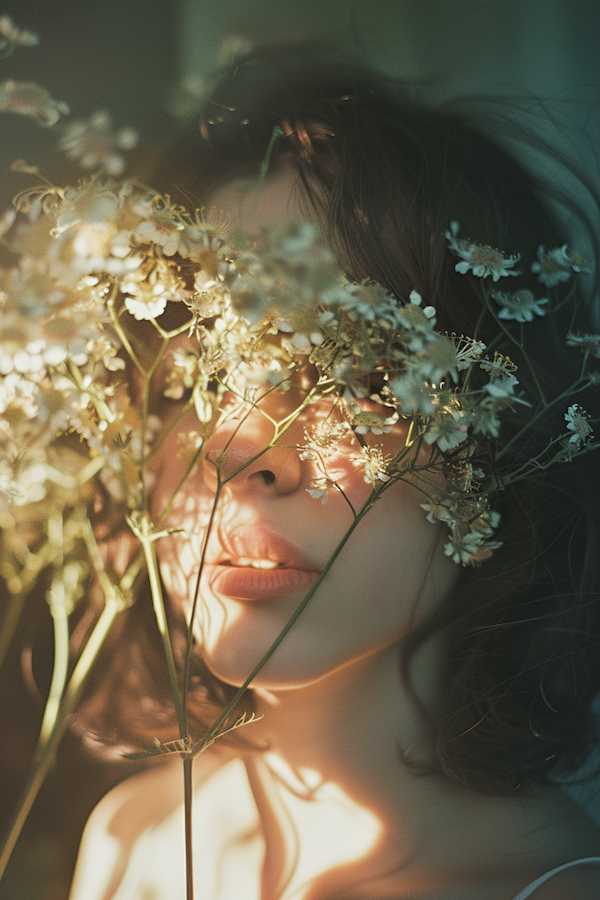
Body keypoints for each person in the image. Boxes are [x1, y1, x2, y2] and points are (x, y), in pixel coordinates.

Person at [68, 44, 600, 899]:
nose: (243, 446)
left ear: (504, 440)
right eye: (199, 371)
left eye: (352, 372)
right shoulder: (136, 841)